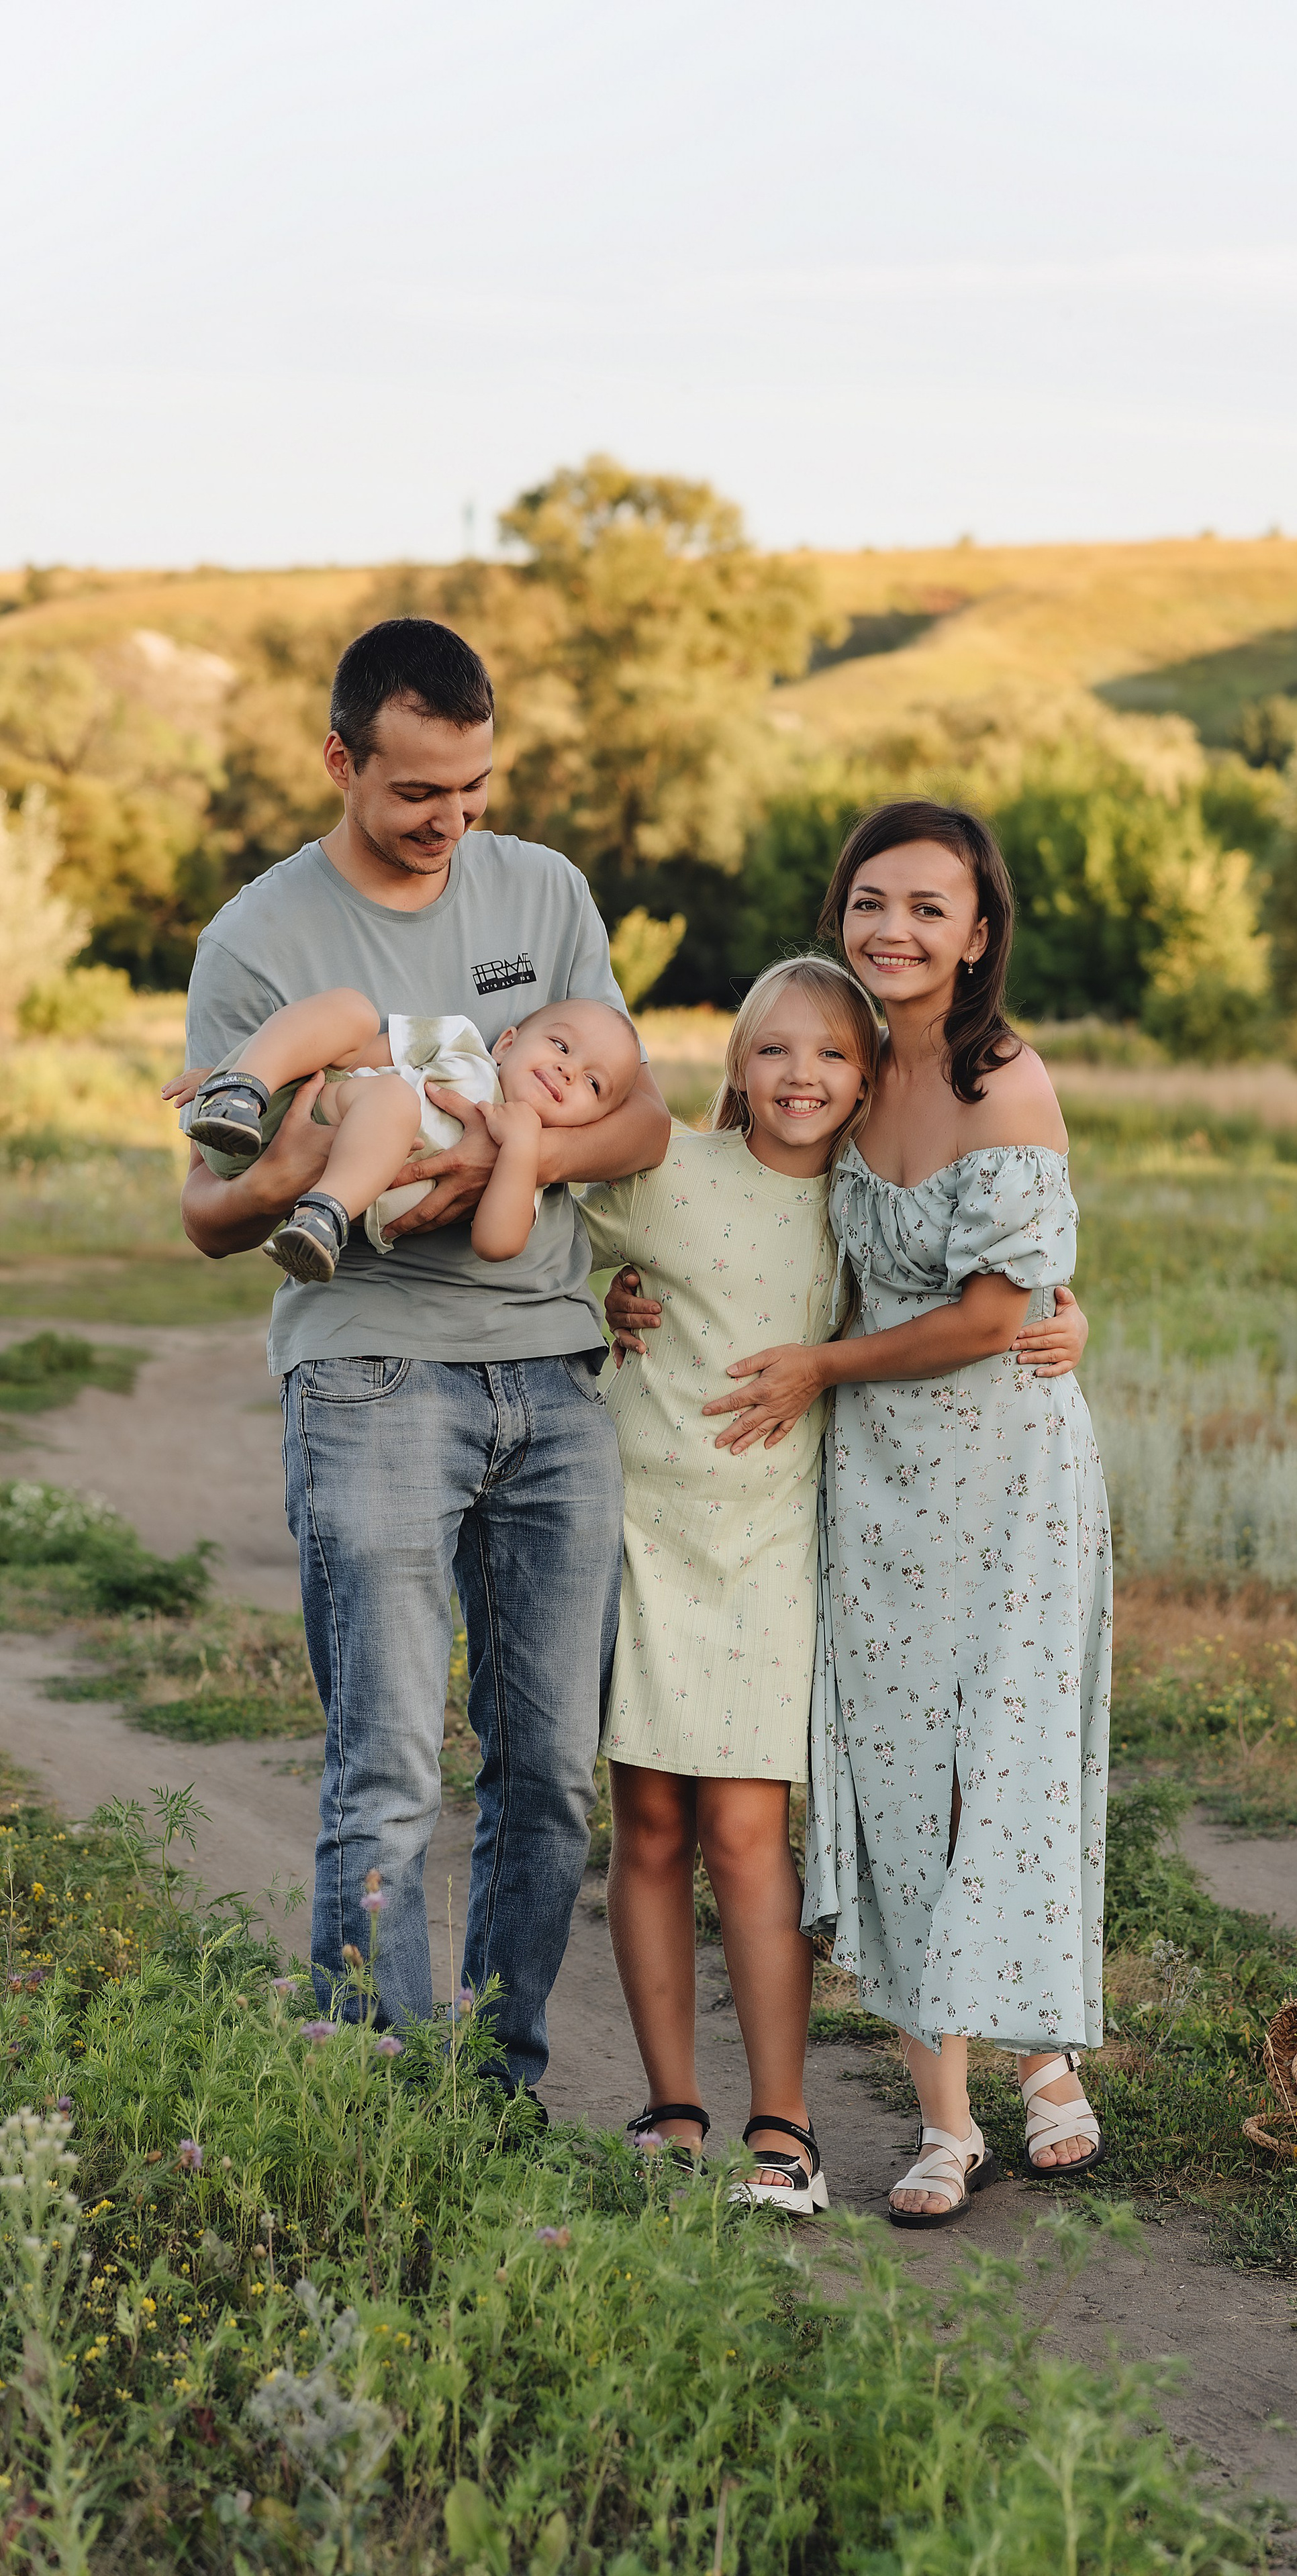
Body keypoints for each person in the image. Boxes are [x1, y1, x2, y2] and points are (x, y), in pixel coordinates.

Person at [174, 617, 671, 2106]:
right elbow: (205, 1213)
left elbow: (640, 1123)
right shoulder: (258, 938)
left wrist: (498, 1158)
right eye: (415, 794)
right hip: (370, 1370)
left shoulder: (545, 890)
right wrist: (316, 1174)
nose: (451, 823)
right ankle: (375, 2102)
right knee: (385, 1769)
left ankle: (493, 2088)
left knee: (547, 1778)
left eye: (473, 787)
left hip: (552, 1371)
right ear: (339, 761)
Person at [591, 956, 1090, 2214]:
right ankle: (699, 2107)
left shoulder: (883, 1176)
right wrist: (604, 1297)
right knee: (682, 1821)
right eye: (773, 1051)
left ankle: (842, 2111)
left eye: (827, 1055)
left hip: (814, 1534)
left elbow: (980, 1282)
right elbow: (570, 1225)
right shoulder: (709, 1172)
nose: (800, 1076)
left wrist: (1064, 1315)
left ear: (861, 1081)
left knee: (799, 1820)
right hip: (718, 1529)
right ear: (737, 1068)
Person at [700, 800, 1111, 2226]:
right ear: (839, 912)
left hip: (1007, 1481)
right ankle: (948, 2121)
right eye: (870, 899)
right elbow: (724, 1201)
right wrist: (637, 1288)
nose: (893, 928)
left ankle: (1042, 2046)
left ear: (977, 929)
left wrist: (830, 1361)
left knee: (995, 1766)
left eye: (927, 906)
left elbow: (999, 1309)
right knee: (889, 1788)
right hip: (871, 1483)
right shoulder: (838, 1062)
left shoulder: (1008, 1084)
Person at [170, 991, 640, 1278]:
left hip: (308, 1188)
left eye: (594, 1084)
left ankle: (319, 1222)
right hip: (280, 1110)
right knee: (354, 1015)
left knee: (394, 1100)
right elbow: (341, 1056)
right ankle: (242, 1087)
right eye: (560, 1045)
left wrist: (521, 1148)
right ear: (508, 1042)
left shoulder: (524, 1160)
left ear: (590, 1120)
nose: (567, 1069)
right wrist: (241, 1067)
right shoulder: (461, 1045)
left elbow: (497, 1244)